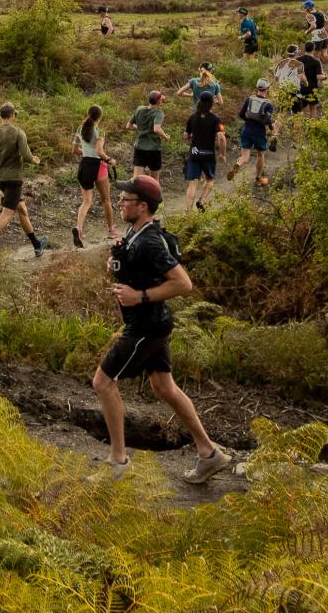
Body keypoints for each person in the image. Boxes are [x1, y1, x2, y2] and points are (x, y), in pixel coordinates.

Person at [92, 173, 232, 482]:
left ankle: (118, 461)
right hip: (153, 323)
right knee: (164, 387)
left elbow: (183, 284)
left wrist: (139, 296)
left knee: (103, 382)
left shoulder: (151, 241)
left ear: (142, 206)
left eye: (125, 200)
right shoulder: (136, 233)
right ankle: (209, 454)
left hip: (145, 327)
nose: (120, 202)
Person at [0, 102, 46, 262]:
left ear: (1, 115)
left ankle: (37, 244)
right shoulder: (18, 132)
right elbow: (26, 156)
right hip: (14, 179)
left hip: (1, 179)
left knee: (22, 210)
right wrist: (35, 160)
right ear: (12, 115)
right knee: (7, 214)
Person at [71, 103, 112, 249]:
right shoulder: (100, 132)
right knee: (106, 199)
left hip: (84, 166)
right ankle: (111, 230)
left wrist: (86, 153)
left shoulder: (80, 129)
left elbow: (74, 150)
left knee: (86, 202)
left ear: (89, 114)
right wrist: (110, 159)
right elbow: (100, 151)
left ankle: (79, 229)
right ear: (100, 116)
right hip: (98, 166)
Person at [180, 95, 224, 212]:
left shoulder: (193, 117)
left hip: (194, 155)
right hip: (208, 155)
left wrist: (191, 135)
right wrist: (222, 154)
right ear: (211, 103)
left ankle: (188, 212)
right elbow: (221, 137)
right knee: (210, 179)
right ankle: (202, 201)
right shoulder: (216, 119)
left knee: (193, 183)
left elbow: (185, 135)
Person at [231, 80, 277, 187]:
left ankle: (238, 164)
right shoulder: (268, 104)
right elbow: (266, 119)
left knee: (245, 157)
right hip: (259, 133)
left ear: (257, 88)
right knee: (260, 155)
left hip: (246, 130)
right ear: (267, 89)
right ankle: (258, 178)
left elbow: (241, 114)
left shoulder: (249, 99)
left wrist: (248, 121)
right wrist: (271, 127)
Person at [126, 91, 166, 173]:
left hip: (139, 147)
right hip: (153, 148)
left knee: (137, 178)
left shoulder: (139, 109)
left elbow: (128, 126)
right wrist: (165, 136)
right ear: (159, 101)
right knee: (154, 180)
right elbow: (156, 129)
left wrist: (141, 128)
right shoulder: (158, 113)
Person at [292, 43, 325, 117]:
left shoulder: (298, 59)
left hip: (301, 87)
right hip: (312, 88)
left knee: (302, 108)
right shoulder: (316, 62)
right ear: (313, 49)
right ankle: (312, 126)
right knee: (313, 108)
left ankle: (304, 125)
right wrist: (325, 76)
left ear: (305, 48)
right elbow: (319, 77)